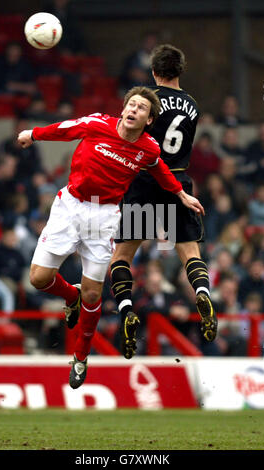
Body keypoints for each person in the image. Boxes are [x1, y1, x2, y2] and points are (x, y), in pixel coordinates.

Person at [17, 85, 204, 389]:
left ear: (149, 119)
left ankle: (80, 357)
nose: (133, 110)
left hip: (103, 219)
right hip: (70, 206)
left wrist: (181, 194)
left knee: (94, 294)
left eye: (141, 108)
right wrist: (33, 133)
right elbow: (66, 129)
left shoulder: (149, 148)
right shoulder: (98, 124)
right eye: (131, 104)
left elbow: (160, 170)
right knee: (38, 279)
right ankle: (70, 296)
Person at [110, 45, 218, 361]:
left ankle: (127, 309)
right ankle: (202, 293)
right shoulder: (194, 106)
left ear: (154, 71)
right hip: (179, 182)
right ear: (180, 71)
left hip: (144, 180)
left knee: (123, 255)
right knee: (189, 252)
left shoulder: (146, 101)